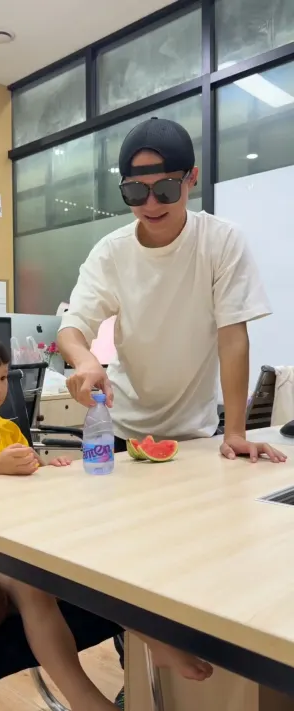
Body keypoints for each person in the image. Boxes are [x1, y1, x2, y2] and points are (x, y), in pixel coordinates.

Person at [57, 117, 287, 707]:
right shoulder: (112, 251)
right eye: (135, 192)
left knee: (195, 559)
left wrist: (235, 430)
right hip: (127, 429)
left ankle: (166, 662)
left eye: (164, 188)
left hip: (196, 435)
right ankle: (141, 664)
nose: (151, 204)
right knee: (124, 554)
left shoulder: (219, 241)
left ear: (191, 179)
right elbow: (73, 325)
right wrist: (85, 360)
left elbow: (233, 336)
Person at [0, 326, 212, 710]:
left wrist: (47, 467)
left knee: (102, 556)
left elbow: (27, 471)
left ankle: (153, 638)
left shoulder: (7, 429)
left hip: (25, 536)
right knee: (31, 585)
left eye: (2, 377)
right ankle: (84, 698)